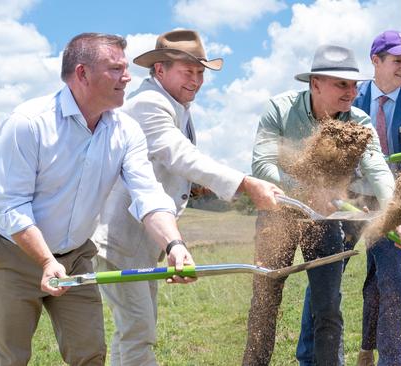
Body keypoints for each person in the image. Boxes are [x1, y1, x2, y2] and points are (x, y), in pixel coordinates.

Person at [0, 33, 195, 366]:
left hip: (76, 256)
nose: (128, 77)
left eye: (125, 68)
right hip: (13, 252)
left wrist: (173, 245)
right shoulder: (28, 124)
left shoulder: (126, 131)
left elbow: (148, 195)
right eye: (116, 69)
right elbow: (11, 206)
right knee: (11, 356)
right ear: (82, 73)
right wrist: (46, 261)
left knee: (89, 353)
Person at [90, 29, 283, 366]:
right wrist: (244, 183)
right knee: (138, 330)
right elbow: (178, 154)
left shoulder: (175, 103)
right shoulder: (150, 103)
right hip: (121, 238)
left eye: (199, 73)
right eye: (187, 71)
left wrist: (194, 186)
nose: (195, 80)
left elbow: (168, 163)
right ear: (160, 70)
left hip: (142, 240)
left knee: (132, 329)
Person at [244, 44, 401, 366]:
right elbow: (262, 163)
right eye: (341, 84)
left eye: (354, 84)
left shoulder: (358, 121)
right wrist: (303, 191)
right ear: (315, 84)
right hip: (277, 215)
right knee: (265, 301)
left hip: (324, 220)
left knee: (328, 307)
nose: (351, 92)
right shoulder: (279, 110)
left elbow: (377, 168)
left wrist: (397, 214)